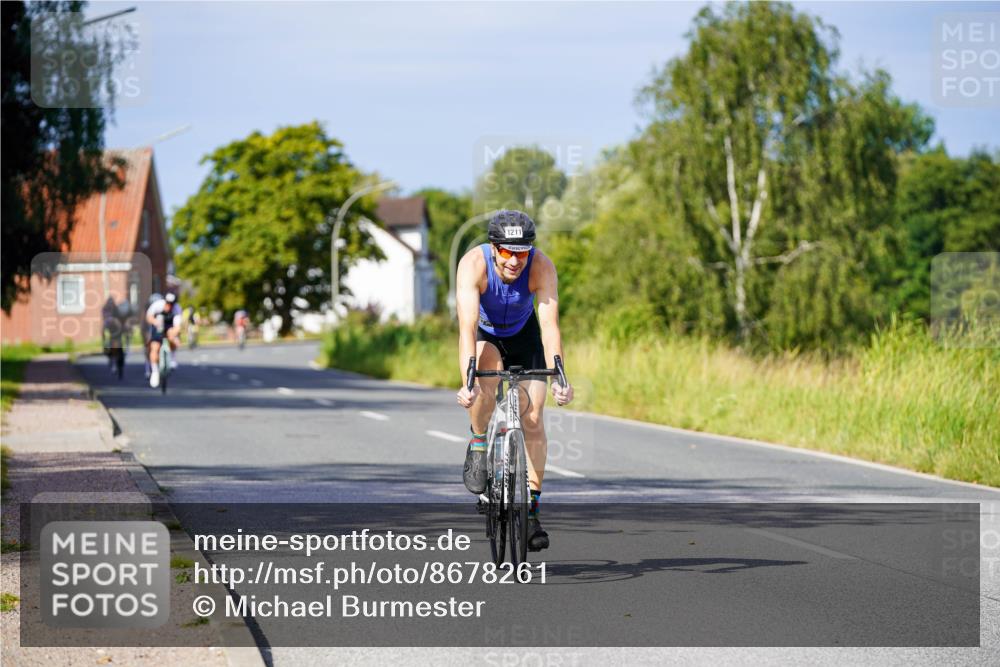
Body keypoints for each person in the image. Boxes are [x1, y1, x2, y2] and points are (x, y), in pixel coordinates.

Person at [454, 210, 573, 552]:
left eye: (522, 252)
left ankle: (532, 510)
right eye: (507, 252)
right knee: (482, 387)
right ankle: (479, 443)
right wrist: (468, 380)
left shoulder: (542, 266)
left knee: (533, 416)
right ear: (494, 249)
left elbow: (550, 326)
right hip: (486, 335)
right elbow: (466, 326)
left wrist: (560, 377)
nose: (515, 261)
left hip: (525, 336)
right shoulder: (473, 264)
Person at [146, 292, 182, 388]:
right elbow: (149, 317)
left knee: (173, 337)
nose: (169, 306)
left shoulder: (177, 309)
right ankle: (154, 371)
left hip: (170, 325)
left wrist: (174, 335)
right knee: (154, 347)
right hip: (158, 323)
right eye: (168, 303)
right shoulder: (157, 305)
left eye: (171, 304)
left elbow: (177, 326)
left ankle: (172, 359)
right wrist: (155, 322)